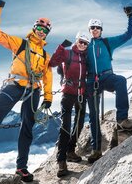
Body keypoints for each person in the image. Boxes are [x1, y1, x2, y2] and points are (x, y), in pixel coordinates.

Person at [0, 0, 53, 184]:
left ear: (47, 33)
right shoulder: (19, 44)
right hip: (14, 85)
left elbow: (48, 76)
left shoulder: (46, 55)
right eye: (39, 27)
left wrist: (48, 97)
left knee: (27, 128)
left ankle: (22, 167)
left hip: (33, 91)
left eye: (45, 30)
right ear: (34, 28)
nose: (41, 31)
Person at [85, 6, 132, 163]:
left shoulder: (108, 43)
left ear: (101, 30)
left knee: (121, 80)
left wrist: (130, 17)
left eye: (97, 27)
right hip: (91, 82)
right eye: (92, 28)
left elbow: (127, 36)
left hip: (107, 77)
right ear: (89, 30)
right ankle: (96, 150)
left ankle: (122, 119)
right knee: (94, 116)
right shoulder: (85, 46)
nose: (95, 30)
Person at [49, 32, 89, 177]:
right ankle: (61, 161)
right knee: (65, 126)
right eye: (80, 41)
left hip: (81, 94)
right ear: (76, 40)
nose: (82, 44)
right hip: (67, 94)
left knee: (79, 124)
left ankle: (71, 151)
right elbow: (53, 63)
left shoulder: (86, 57)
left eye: (85, 43)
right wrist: (60, 47)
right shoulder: (67, 53)